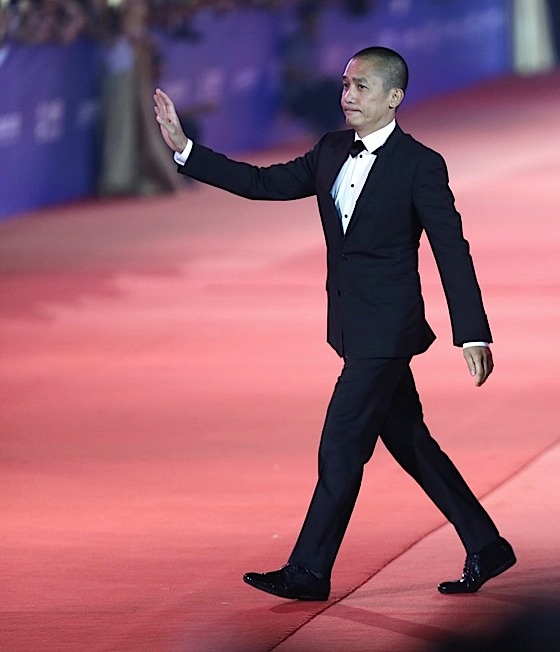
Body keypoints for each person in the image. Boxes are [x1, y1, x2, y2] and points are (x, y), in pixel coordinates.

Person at [152, 46, 515, 601]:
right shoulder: (329, 151)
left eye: (361, 87)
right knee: (410, 441)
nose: (347, 95)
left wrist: (472, 332)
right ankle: (486, 544)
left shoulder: (420, 164)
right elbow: (261, 182)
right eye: (345, 84)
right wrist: (186, 150)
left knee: (340, 447)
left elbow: (451, 250)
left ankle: (309, 570)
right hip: (351, 326)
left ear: (394, 98)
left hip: (387, 332)